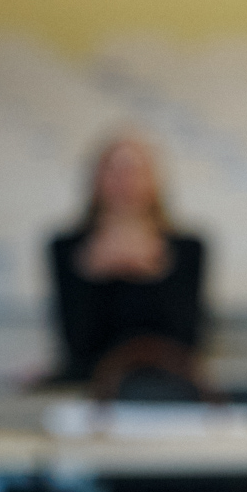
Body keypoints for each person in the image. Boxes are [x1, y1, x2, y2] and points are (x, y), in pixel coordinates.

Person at [48, 137, 208, 396]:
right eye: (114, 170)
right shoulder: (68, 247)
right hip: (89, 387)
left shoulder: (186, 248)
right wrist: (92, 272)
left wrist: (153, 271)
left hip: (165, 384)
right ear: (96, 178)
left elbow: (186, 340)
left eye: (134, 170)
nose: (125, 181)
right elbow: (75, 343)